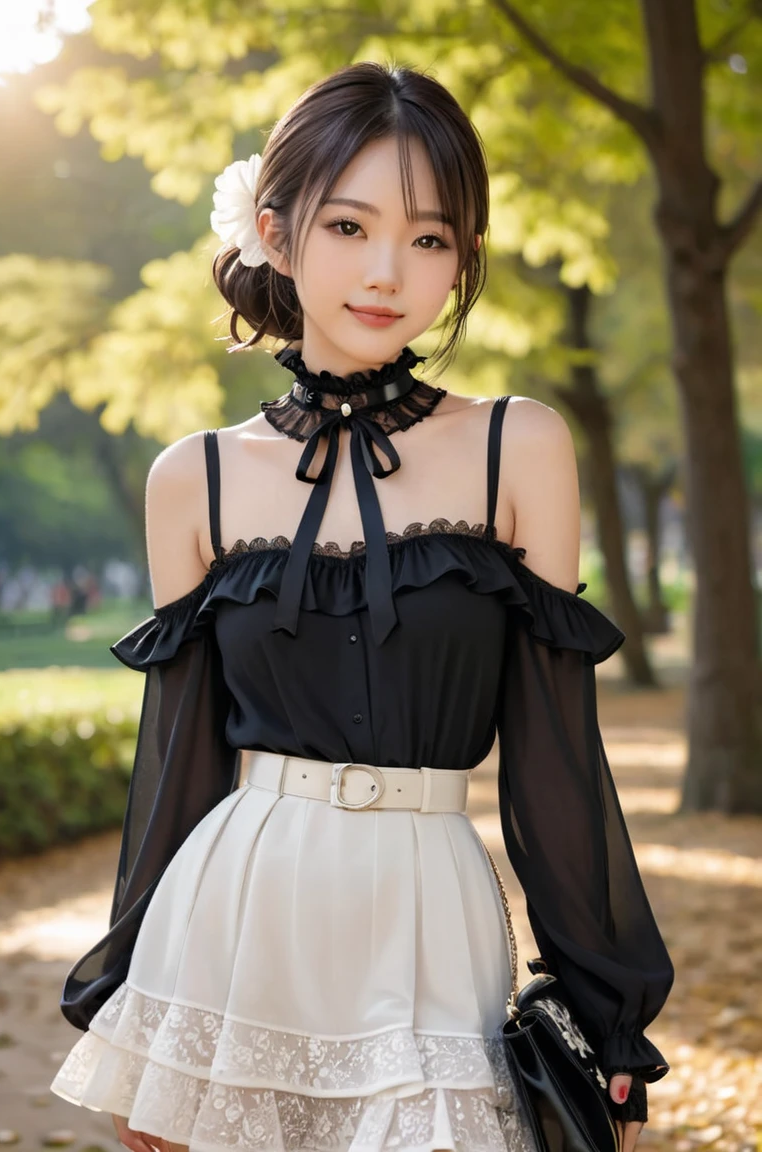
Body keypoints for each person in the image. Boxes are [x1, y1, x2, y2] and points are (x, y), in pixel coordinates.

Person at [49, 62, 675, 1152]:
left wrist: (604, 1009)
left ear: (464, 261)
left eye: (431, 239)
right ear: (276, 234)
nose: (389, 271)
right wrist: (133, 994)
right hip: (234, 919)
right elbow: (179, 763)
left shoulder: (516, 445)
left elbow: (555, 755)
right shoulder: (187, 477)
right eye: (349, 226)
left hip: (429, 913)